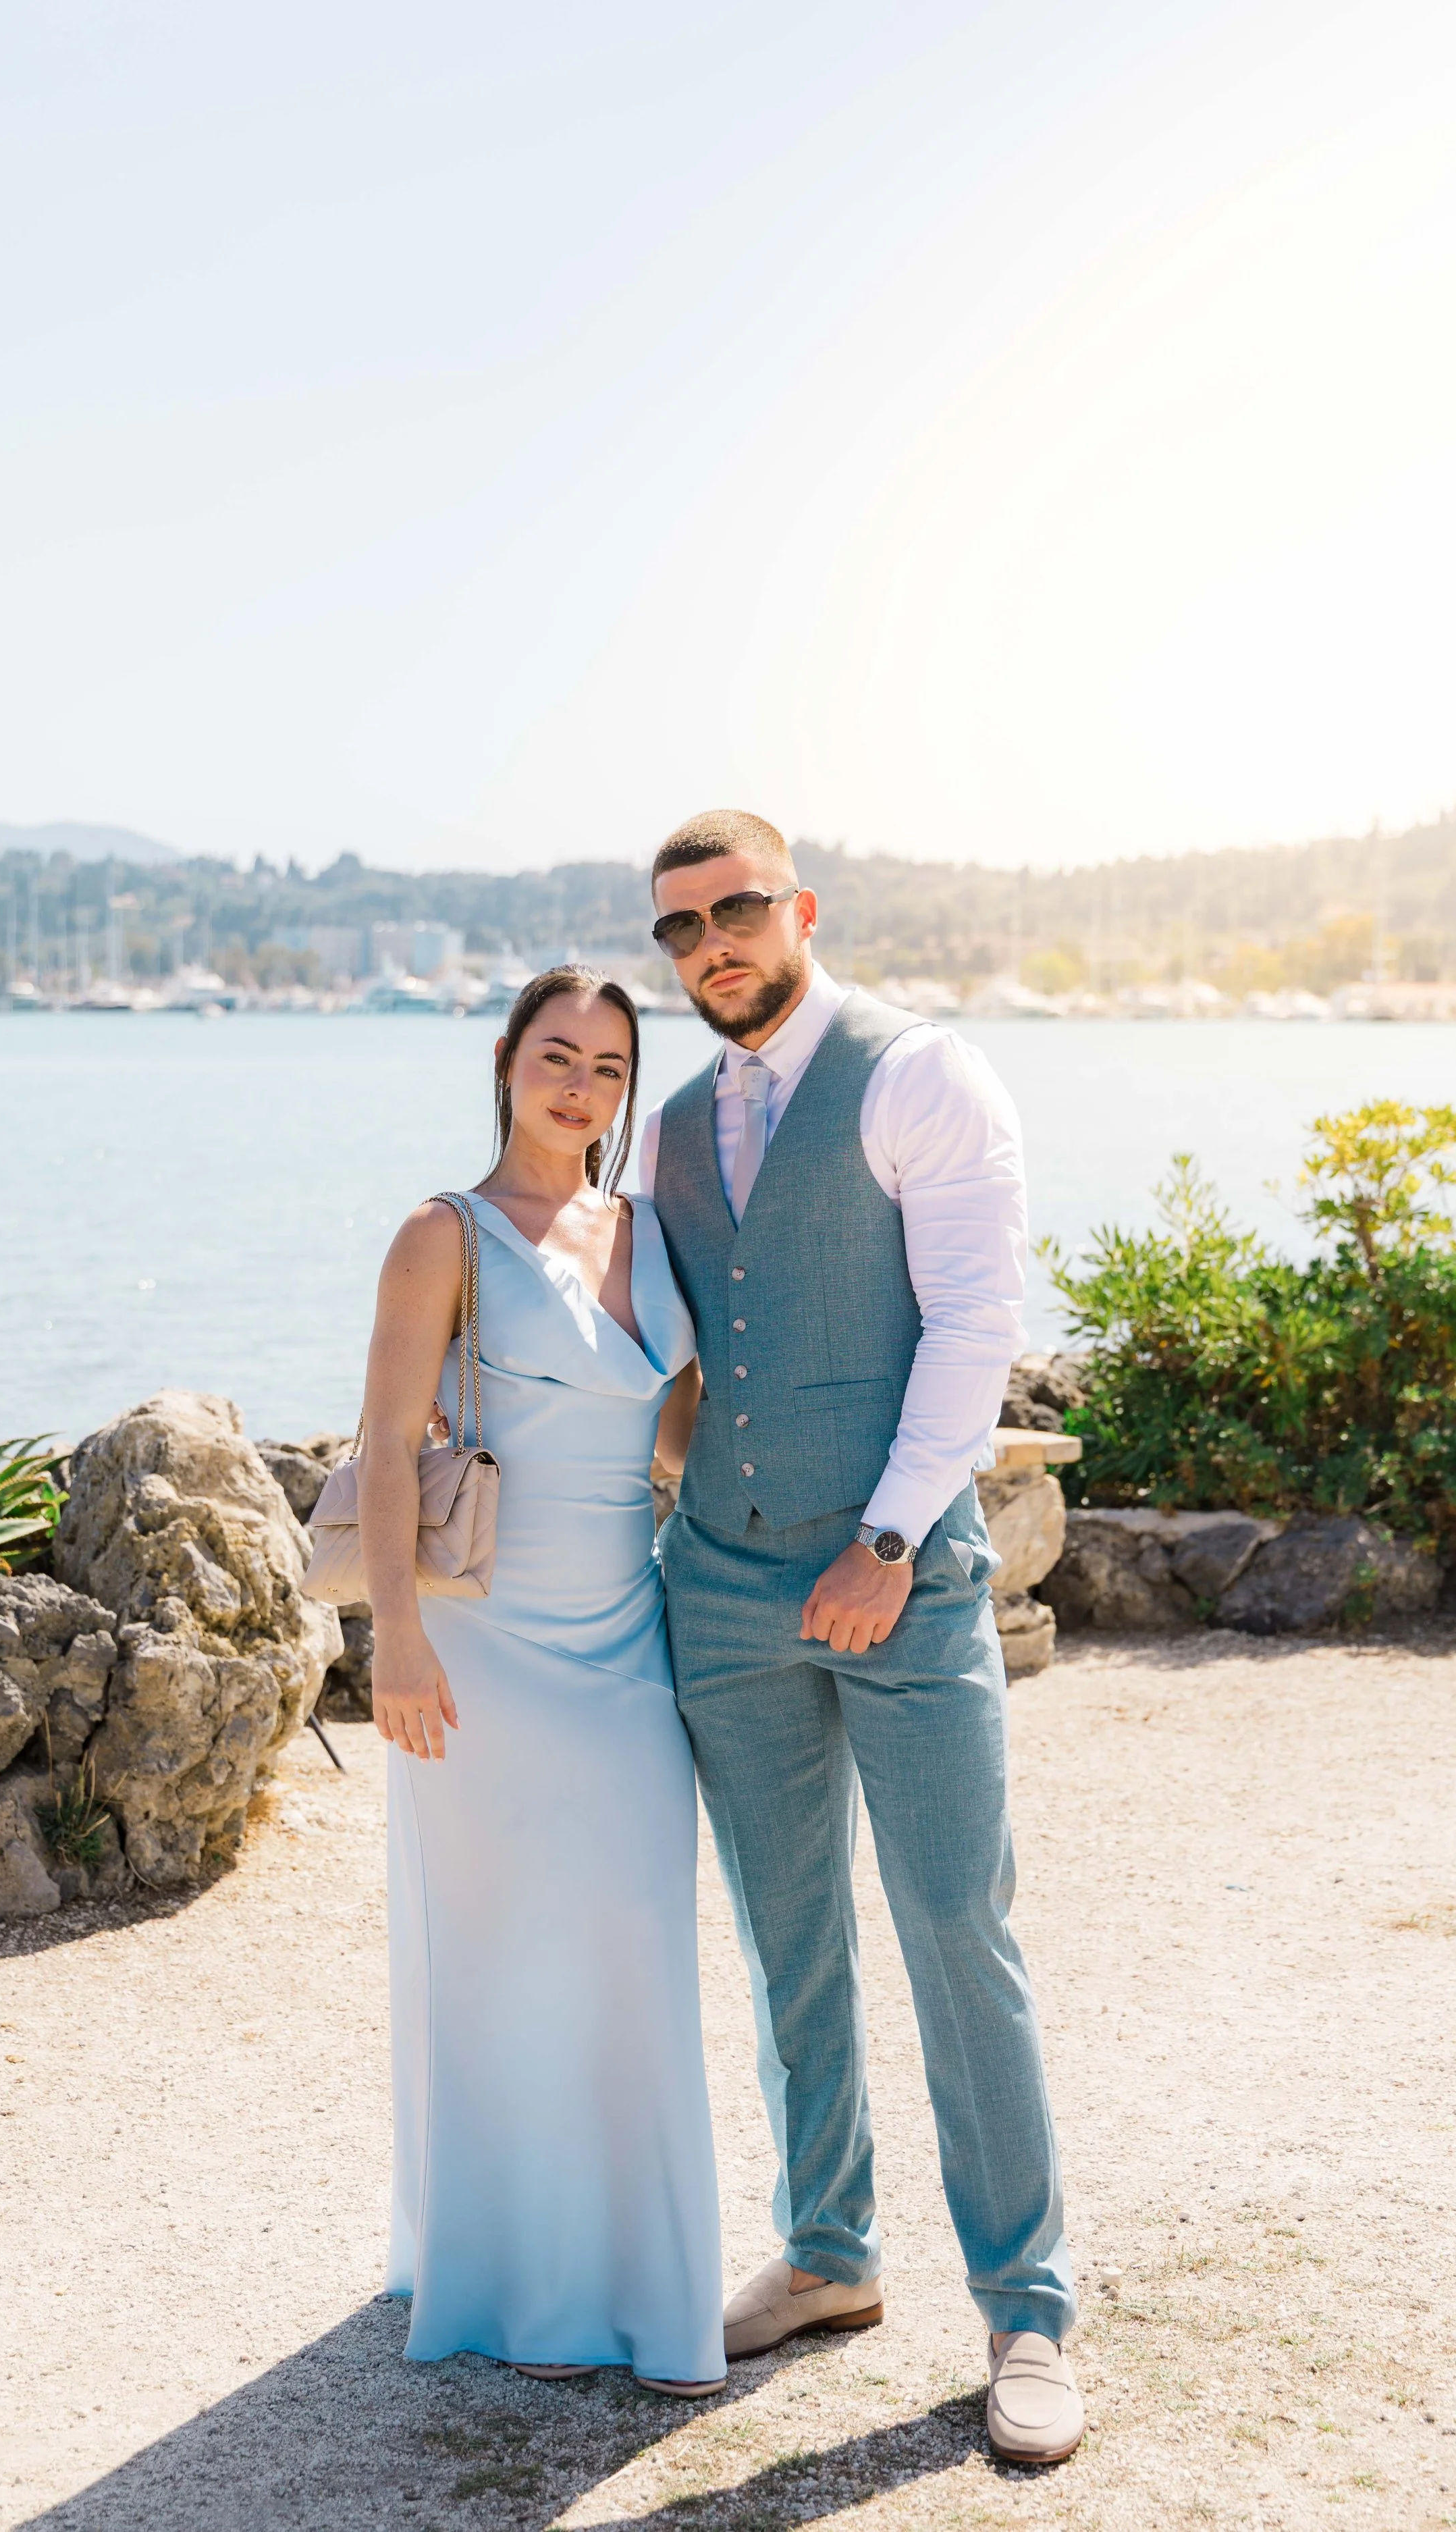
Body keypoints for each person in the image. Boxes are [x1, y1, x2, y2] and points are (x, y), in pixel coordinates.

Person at [641, 811, 1085, 2467]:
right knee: (784, 1935)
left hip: (902, 1581)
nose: (709, 948)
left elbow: (975, 1324)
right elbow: (682, 1359)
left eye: (734, 910)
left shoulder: (919, 1074)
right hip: (725, 1589)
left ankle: (1027, 2311)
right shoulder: (676, 1129)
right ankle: (827, 2253)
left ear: (797, 908)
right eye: (679, 929)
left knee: (956, 1931)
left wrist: (890, 1538)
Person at [359, 964, 724, 2396]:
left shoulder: (648, 1232)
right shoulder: (439, 1233)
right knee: (502, 1956)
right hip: (484, 1653)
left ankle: (645, 2292)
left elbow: (677, 1440)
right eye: (556, 1056)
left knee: (633, 1946)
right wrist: (394, 1637)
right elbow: (387, 1447)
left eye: (610, 1070)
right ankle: (518, 2289)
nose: (580, 1088)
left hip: (627, 1644)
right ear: (506, 1062)